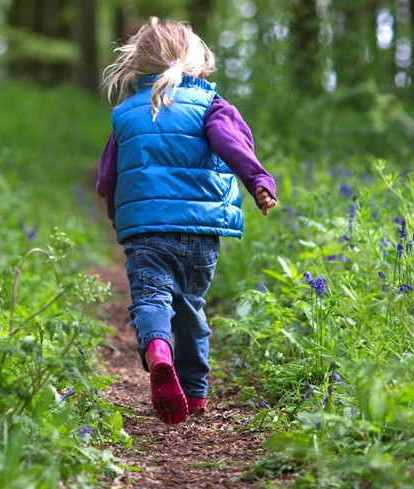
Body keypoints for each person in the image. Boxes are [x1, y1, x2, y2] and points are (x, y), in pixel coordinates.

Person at [96, 17, 278, 425]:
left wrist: (117, 215)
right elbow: (234, 148)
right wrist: (259, 182)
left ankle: (159, 351)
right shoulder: (211, 105)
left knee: (151, 299)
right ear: (196, 63)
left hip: (146, 231)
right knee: (190, 308)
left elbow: (108, 178)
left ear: (139, 64)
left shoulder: (125, 115)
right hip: (200, 231)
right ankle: (194, 394)